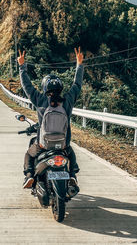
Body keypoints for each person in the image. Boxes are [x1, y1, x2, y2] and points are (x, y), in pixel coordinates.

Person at [18, 47, 84, 189]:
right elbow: (77, 85)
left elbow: (27, 86)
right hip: (63, 145)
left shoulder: (40, 100)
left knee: (29, 155)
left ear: (44, 88)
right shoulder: (67, 101)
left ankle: (29, 176)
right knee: (71, 153)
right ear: (61, 88)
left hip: (43, 145)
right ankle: (72, 175)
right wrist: (79, 64)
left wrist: (22, 66)